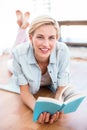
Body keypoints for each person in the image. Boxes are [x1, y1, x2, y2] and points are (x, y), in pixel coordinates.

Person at [9, 10, 70, 124]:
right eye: (40, 37)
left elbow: (61, 88)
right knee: (10, 59)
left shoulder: (62, 51)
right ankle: (21, 28)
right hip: (18, 58)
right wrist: (38, 109)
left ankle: (22, 26)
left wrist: (56, 107)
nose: (46, 44)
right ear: (31, 38)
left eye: (51, 38)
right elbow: (25, 92)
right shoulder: (19, 54)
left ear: (57, 38)